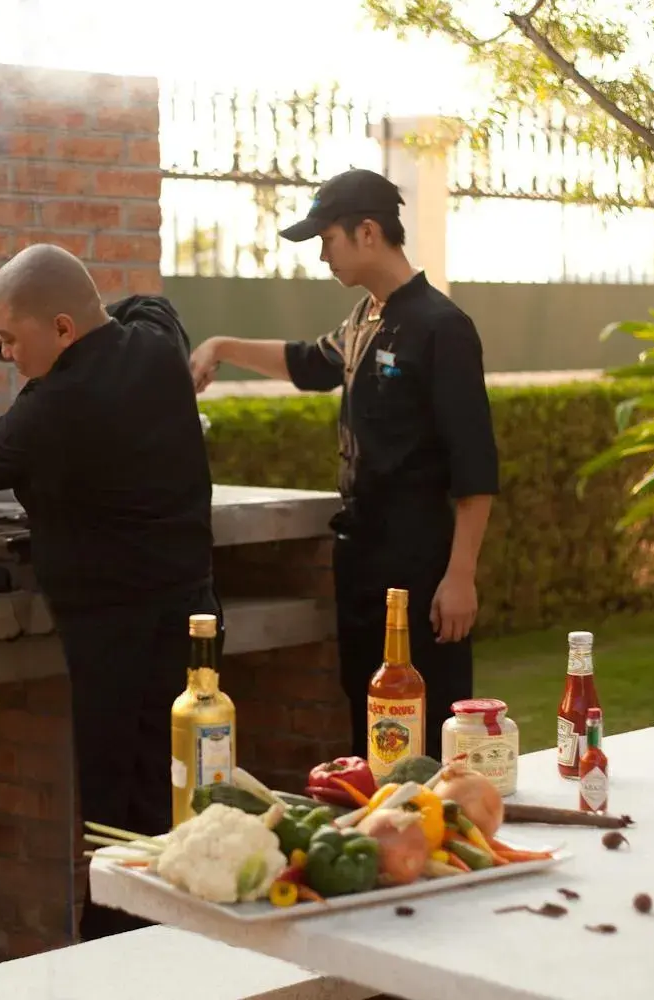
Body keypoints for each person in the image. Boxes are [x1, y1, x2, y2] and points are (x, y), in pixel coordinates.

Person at [0, 243, 218, 941]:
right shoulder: (156, 349)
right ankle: (179, 931)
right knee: (177, 777)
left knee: (114, 794)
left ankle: (111, 944)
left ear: (62, 329)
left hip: (114, 627)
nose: (4, 353)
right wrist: (22, 326)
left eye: (11, 339)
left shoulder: (59, 403)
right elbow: (146, 307)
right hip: (193, 614)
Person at [189, 168, 499, 761]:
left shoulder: (441, 327)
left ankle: (439, 834)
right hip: (361, 556)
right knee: (368, 710)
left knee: (424, 719)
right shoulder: (365, 319)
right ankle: (383, 837)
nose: (322, 256)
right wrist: (221, 347)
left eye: (326, 240)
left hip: (420, 560)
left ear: (366, 232)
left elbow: (475, 464)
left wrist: (461, 575)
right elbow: (308, 363)